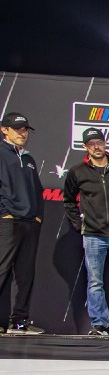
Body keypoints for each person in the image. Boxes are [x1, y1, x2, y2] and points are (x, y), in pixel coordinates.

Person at [63, 127, 109, 335]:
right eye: (91, 144)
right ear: (85, 147)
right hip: (93, 235)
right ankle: (99, 324)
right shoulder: (77, 171)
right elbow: (68, 200)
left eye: (99, 142)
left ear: (105, 143)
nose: (96, 147)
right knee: (95, 282)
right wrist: (80, 225)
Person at [0, 112, 44, 334]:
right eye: (17, 129)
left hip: (29, 222)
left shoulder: (28, 159)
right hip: (8, 222)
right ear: (4, 130)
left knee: (25, 275)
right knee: (2, 271)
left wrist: (37, 216)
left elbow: (37, 191)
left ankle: (19, 322)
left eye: (25, 129)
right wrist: (4, 213)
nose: (22, 133)